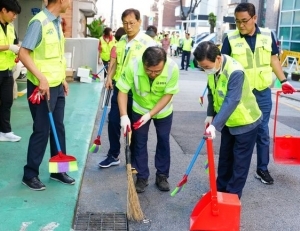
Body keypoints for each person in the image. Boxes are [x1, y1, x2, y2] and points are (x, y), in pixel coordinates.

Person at [221, 3, 296, 185]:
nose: (240, 25)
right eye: (237, 21)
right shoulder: (230, 38)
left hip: (261, 93)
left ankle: (262, 169)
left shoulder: (267, 35)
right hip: (240, 95)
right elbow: (222, 66)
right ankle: (230, 173)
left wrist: (284, 80)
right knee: (235, 133)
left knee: (262, 132)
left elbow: (273, 59)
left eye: (245, 21)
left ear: (255, 18)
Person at [194, 41, 262, 198]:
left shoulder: (235, 71)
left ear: (218, 59)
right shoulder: (213, 69)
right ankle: (219, 191)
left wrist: (215, 125)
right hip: (228, 122)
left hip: (246, 122)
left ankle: (232, 197)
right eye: (202, 67)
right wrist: (210, 115)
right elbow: (212, 91)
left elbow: (233, 100)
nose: (205, 70)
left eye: (206, 67)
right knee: (225, 158)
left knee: (240, 164)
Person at [19, 0, 75, 191]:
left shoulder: (56, 22)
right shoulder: (39, 22)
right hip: (42, 88)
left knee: (58, 128)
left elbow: (55, 57)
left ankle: (58, 171)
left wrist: (63, 79)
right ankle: (30, 174)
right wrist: (41, 78)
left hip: (56, 85)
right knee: (42, 130)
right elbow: (24, 53)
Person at [98, 8, 156, 168]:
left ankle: (134, 160)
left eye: (131, 23)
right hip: (119, 88)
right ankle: (113, 154)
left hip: (137, 91)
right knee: (114, 121)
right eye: (125, 23)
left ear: (139, 22)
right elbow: (115, 60)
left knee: (136, 127)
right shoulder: (122, 39)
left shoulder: (148, 43)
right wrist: (109, 76)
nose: (128, 26)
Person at [117, 47, 179, 193]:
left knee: (163, 140)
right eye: (149, 70)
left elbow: (168, 94)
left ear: (163, 63)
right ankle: (142, 176)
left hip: (163, 110)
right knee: (139, 142)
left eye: (157, 71)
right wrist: (124, 115)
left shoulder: (172, 68)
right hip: (139, 109)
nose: (153, 74)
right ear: (143, 63)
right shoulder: (133, 65)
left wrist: (150, 114)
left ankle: (162, 176)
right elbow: (122, 91)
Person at [0, 0, 21, 142]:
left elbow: (15, 43)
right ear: (3, 10)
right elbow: (9, 46)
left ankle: (5, 131)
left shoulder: (11, 27)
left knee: (7, 101)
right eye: (13, 13)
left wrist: (17, 50)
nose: (15, 17)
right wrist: (9, 47)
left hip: (7, 70)